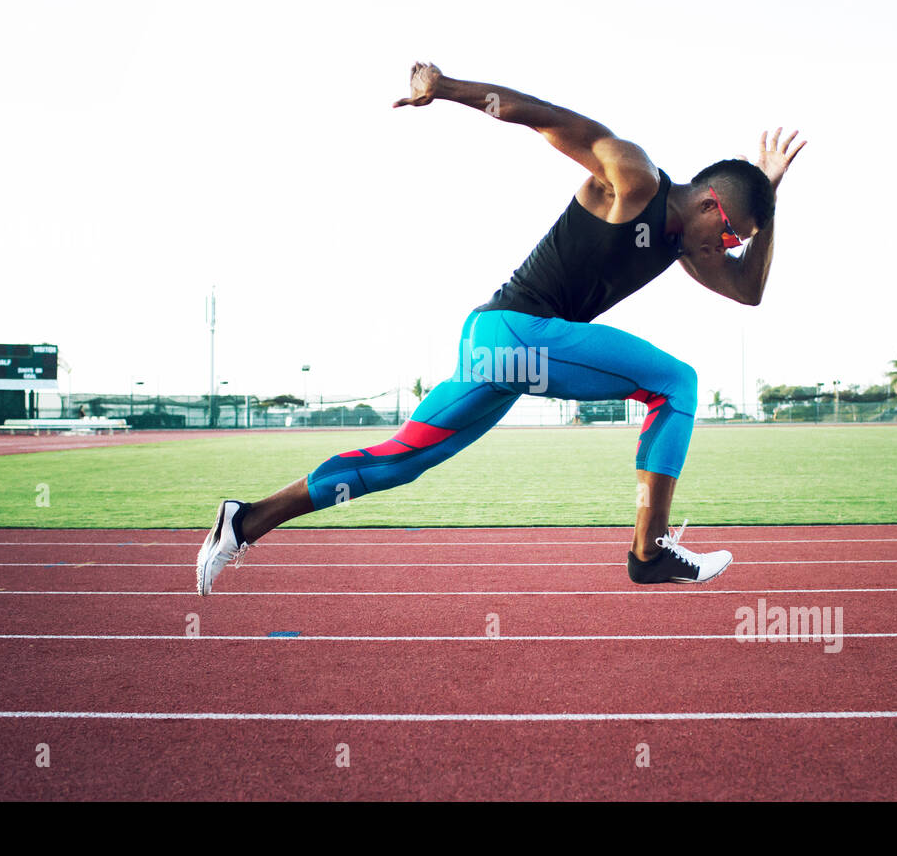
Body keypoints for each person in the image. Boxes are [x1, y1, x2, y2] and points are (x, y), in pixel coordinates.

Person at [196, 62, 806, 595]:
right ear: (709, 204)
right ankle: (649, 552)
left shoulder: (681, 247)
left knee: (399, 462)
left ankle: (245, 520)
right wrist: (445, 87)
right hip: (517, 335)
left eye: (737, 242)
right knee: (676, 385)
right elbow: (541, 116)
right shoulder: (636, 178)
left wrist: (768, 201)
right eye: (730, 235)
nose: (726, 249)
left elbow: (749, 290)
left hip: (494, 347)